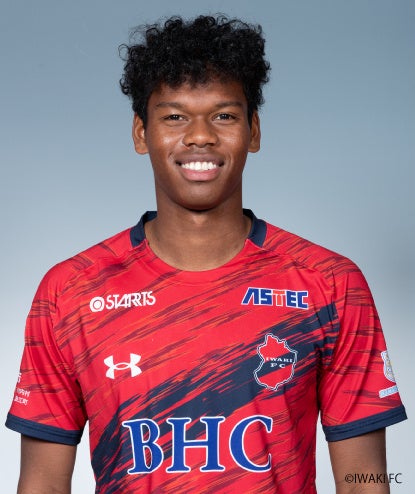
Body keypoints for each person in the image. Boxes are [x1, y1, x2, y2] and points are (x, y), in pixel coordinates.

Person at [6, 14, 407, 494]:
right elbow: (42, 484)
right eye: (175, 117)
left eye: (224, 115)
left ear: (253, 131)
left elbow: (365, 481)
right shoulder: (70, 291)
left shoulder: (329, 283)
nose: (200, 135)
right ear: (141, 133)